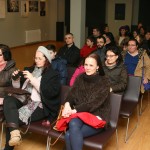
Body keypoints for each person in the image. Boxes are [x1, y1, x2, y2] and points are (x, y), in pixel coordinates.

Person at [3, 46, 61, 150]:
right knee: (8, 99)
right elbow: (18, 88)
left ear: (46, 59)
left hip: (39, 104)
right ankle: (15, 135)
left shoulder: (53, 75)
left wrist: (32, 79)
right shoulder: (30, 69)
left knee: (11, 118)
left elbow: (48, 94)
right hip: (24, 98)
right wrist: (15, 79)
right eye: (35, 58)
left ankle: (8, 148)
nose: (37, 61)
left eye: (40, 58)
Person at [62, 53, 110, 150]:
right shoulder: (80, 78)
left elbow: (94, 103)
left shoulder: (104, 81)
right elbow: (72, 94)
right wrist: (67, 104)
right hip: (81, 114)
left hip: (97, 116)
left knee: (68, 135)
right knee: (72, 125)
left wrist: (75, 110)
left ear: (97, 67)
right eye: (86, 64)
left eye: (91, 65)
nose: (87, 68)